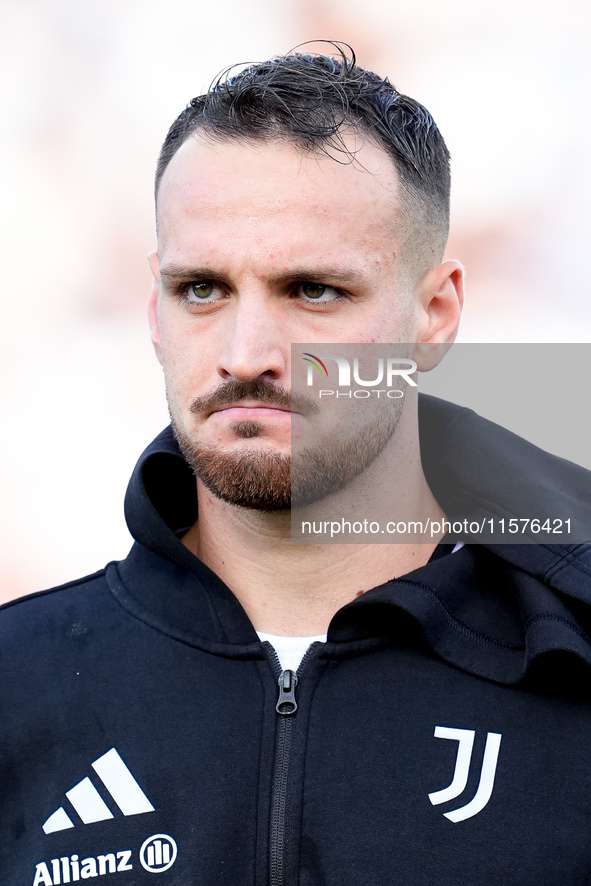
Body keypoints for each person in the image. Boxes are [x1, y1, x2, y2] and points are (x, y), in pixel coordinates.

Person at [3, 46, 591, 886]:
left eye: (313, 291)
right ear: (153, 307)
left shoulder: (569, 678)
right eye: (201, 289)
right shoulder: (19, 688)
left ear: (434, 314)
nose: (248, 355)